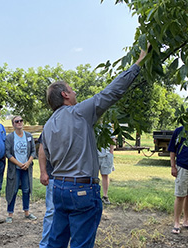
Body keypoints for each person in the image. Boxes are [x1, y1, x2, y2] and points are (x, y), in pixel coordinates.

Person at [41, 46, 148, 247]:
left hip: (59, 188)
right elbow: (112, 92)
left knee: (56, 242)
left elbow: (45, 154)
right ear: (65, 94)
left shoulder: (47, 126)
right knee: (82, 243)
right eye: (72, 90)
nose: (75, 93)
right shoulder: (79, 112)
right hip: (81, 189)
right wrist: (138, 63)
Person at [5, 116, 37, 223]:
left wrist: (28, 162)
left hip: (26, 168)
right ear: (13, 124)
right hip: (15, 168)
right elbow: (8, 153)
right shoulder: (10, 137)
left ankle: (27, 212)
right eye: (16, 121)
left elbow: (33, 151)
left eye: (21, 121)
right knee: (13, 189)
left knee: (26, 190)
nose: (19, 123)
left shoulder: (28, 136)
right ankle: (10, 213)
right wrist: (19, 163)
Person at [38, 134, 54, 248]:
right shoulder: (50, 126)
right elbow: (42, 150)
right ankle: (45, 244)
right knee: (51, 211)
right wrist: (43, 172)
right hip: (53, 176)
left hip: (72, 177)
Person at [98, 136, 115, 205]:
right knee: (93, 176)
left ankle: (105, 196)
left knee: (105, 175)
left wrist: (111, 152)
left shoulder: (107, 125)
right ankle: (94, 195)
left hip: (105, 155)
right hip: (93, 154)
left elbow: (112, 139)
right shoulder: (91, 125)